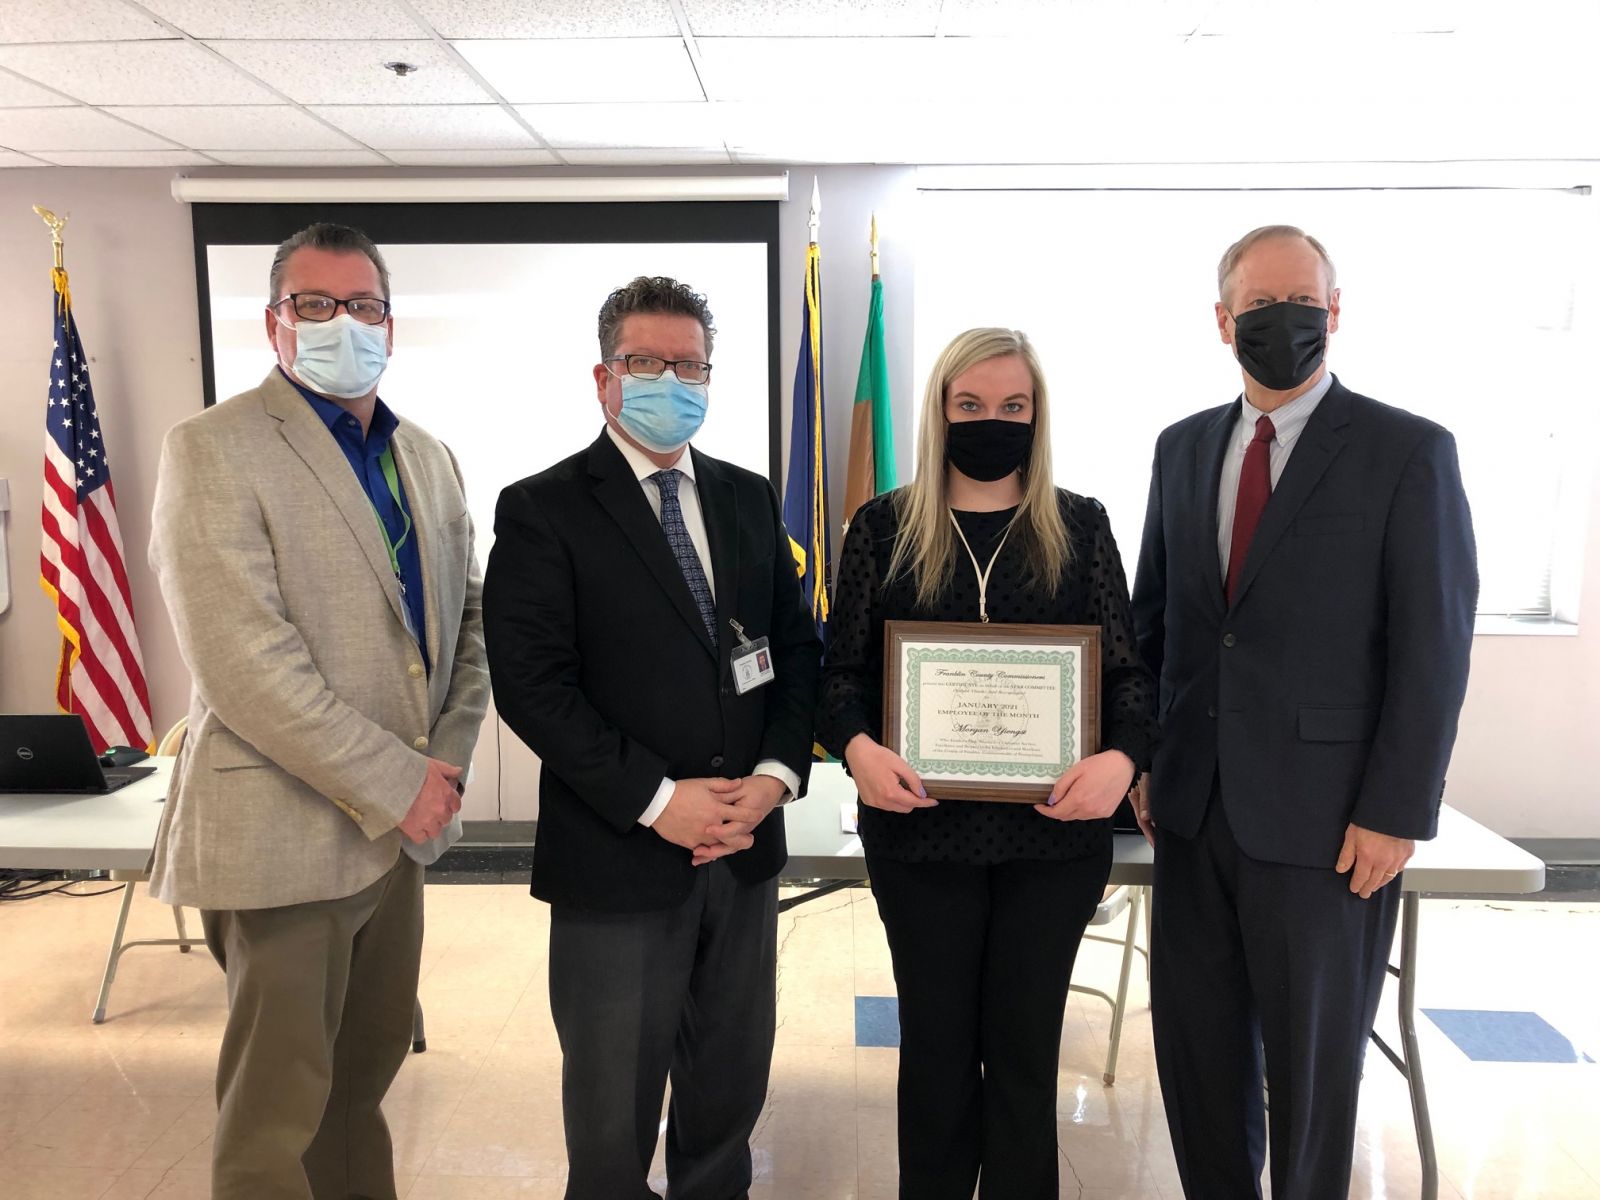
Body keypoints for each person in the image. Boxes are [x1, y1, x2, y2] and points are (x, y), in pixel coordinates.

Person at [1130, 225, 1477, 1199]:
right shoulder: (1183, 448)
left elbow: (1432, 649)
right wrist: (1151, 759)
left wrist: (1396, 811)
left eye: (1302, 305)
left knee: (1314, 1079)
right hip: (1194, 819)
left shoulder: (1406, 452)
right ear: (1221, 321)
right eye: (1259, 309)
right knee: (1199, 1065)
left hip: (1329, 829)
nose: (1283, 325)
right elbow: (1158, 624)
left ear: (1334, 312)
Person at [147, 221, 490, 1199]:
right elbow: (245, 668)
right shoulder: (213, 449)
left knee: (361, 1083)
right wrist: (398, 784)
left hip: (398, 836)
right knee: (276, 1109)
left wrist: (442, 769)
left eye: (365, 305)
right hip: (283, 836)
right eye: (316, 304)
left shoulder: (428, 458)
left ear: (393, 322)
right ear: (274, 323)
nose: (345, 323)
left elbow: (463, 628)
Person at [481, 276, 821, 1200]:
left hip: (745, 853)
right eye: (646, 362)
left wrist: (778, 775)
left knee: (728, 1094)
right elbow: (533, 689)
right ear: (603, 378)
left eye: (690, 365)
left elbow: (795, 650)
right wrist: (660, 801)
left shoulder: (750, 501)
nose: (670, 379)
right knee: (610, 1118)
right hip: (619, 859)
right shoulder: (543, 509)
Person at [817, 327, 1158, 1200]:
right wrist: (856, 747)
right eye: (970, 405)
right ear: (940, 411)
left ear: (1037, 416)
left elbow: (1127, 672)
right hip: (920, 836)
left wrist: (1122, 758)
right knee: (933, 1055)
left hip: (1052, 845)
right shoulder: (883, 526)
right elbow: (839, 673)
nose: (991, 421)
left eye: (1013, 406)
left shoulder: (1080, 525)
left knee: (1022, 1055)